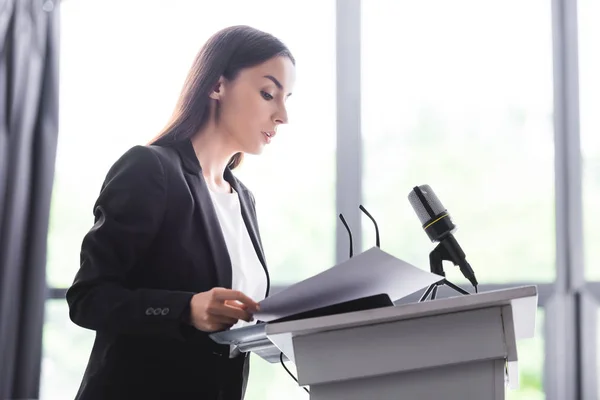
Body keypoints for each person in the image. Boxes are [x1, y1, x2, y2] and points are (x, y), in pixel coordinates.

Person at [66, 25, 296, 400]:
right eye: (268, 93)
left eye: (287, 99)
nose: (282, 115)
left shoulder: (243, 198)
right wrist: (185, 308)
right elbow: (88, 298)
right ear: (217, 86)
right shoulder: (149, 168)